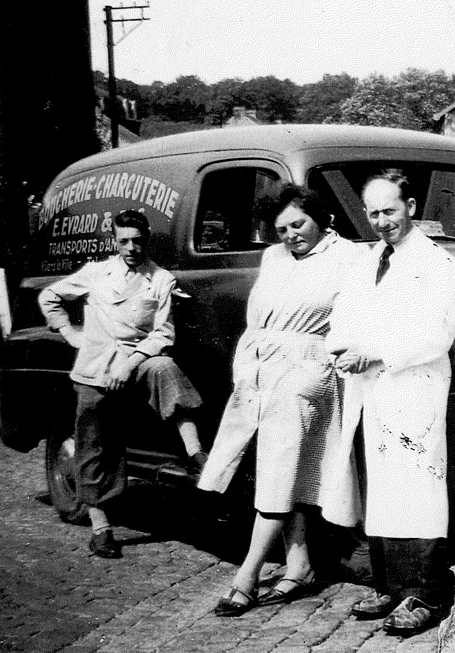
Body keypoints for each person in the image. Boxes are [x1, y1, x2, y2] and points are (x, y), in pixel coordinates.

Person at [198, 184, 365, 617]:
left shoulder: (350, 258)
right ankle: (299, 564)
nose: (290, 234)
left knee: (280, 467)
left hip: (307, 369)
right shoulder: (273, 257)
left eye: (298, 224)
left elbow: (392, 305)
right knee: (282, 467)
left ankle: (247, 576)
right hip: (260, 367)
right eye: (281, 228)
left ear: (321, 218)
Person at [326, 171, 455, 637]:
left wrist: (379, 352)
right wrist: (342, 345)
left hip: (412, 385)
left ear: (409, 206)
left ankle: (424, 594)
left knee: (418, 488)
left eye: (389, 210)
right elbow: (345, 311)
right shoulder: (369, 262)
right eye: (373, 213)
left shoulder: (438, 264)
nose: (382, 221)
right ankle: (388, 585)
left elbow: (436, 333)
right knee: (381, 486)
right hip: (371, 387)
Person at [38, 210, 205, 560]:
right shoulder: (97, 273)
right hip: (96, 367)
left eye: (138, 240)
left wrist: (130, 365)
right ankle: (101, 529)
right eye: (124, 241)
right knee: (93, 441)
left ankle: (195, 455)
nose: (131, 247)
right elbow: (49, 297)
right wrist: (70, 333)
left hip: (137, 360)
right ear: (115, 241)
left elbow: (163, 333)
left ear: (147, 239)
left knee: (165, 367)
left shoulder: (160, 278)